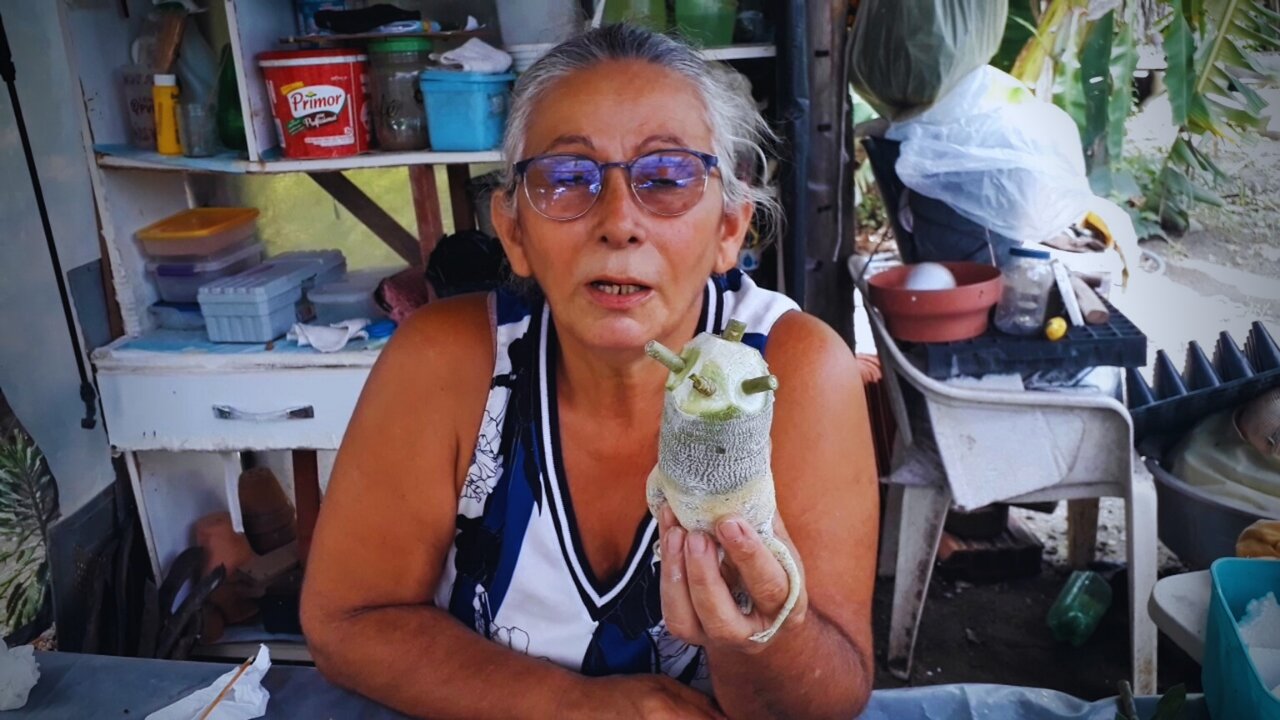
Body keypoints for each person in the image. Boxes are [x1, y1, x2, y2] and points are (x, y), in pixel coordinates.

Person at [301, 24, 879, 719]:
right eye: (567, 179)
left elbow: (834, 692)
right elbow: (348, 622)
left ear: (729, 229)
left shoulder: (790, 372)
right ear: (514, 232)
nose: (619, 222)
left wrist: (761, 639)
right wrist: (574, 706)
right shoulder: (449, 363)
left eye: (666, 177)